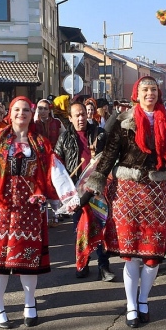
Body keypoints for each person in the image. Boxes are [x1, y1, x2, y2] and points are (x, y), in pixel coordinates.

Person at [0, 96, 78, 329]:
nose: (21, 114)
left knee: (27, 258)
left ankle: (30, 303)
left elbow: (55, 170)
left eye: (26, 110)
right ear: (10, 113)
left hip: (29, 208)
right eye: (17, 110)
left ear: (32, 114)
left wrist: (69, 197)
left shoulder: (40, 143)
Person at [83, 77, 166, 328]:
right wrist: (92, 187)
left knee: (153, 255)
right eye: (145, 90)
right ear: (137, 94)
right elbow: (109, 156)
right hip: (127, 193)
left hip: (155, 192)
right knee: (130, 255)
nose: (150, 94)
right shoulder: (123, 123)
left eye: (153, 90)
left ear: (158, 94)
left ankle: (144, 299)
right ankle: (132, 305)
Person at [55, 102, 110, 279]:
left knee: (102, 228)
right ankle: (82, 263)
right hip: (76, 192)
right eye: (76, 115)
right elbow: (57, 164)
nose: (81, 118)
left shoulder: (99, 134)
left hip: (98, 190)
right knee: (80, 229)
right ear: (70, 118)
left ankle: (104, 266)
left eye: (83, 115)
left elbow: (109, 158)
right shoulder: (64, 138)